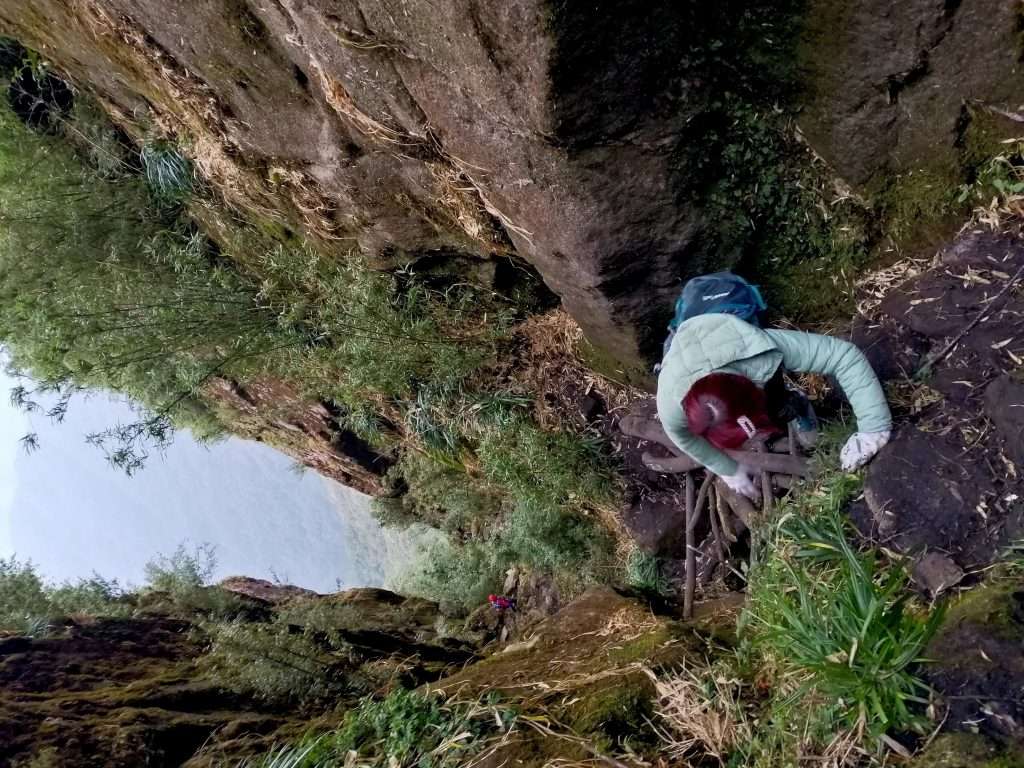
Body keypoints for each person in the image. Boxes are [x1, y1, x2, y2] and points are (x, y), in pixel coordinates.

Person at [656, 313, 892, 499]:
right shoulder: (671, 406)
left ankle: (797, 405)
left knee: (776, 408)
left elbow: (843, 356)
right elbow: (683, 438)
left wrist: (873, 427)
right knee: (768, 418)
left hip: (728, 344)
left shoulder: (758, 349)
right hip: (685, 355)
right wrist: (727, 469)